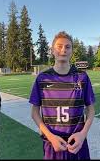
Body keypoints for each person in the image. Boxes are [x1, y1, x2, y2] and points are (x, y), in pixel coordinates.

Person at [29, 31, 95, 160]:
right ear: (52, 50)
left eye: (67, 47)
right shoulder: (42, 78)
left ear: (72, 51)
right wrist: (50, 136)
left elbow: (91, 110)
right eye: (59, 46)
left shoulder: (82, 77)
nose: (63, 50)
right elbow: (34, 113)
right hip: (52, 144)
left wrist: (83, 134)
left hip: (77, 143)